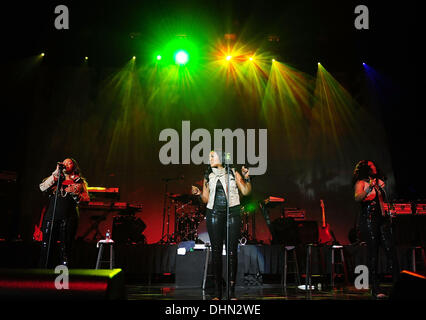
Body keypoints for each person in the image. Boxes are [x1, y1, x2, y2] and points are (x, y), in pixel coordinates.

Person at [192, 151, 252, 300]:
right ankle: (217, 292)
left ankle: (231, 292)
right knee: (216, 251)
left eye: (212, 156)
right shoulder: (208, 175)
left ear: (221, 157)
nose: (209, 158)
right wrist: (198, 193)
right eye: (209, 156)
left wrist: (246, 178)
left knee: (232, 252)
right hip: (214, 213)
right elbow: (205, 199)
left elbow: (246, 191)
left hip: (233, 212)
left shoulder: (232, 172)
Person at [353, 160, 399, 299]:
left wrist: (389, 212)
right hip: (369, 220)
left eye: (374, 165)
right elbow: (357, 198)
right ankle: (375, 288)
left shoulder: (378, 182)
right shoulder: (361, 183)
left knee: (391, 251)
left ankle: (398, 286)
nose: (374, 167)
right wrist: (368, 189)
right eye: (371, 165)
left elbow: (381, 201)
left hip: (382, 220)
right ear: (366, 169)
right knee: (373, 254)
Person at [38, 158, 90, 268]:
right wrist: (56, 173)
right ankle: (44, 274)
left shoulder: (79, 182)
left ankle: (63, 277)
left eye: (69, 163)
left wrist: (76, 194)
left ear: (74, 167)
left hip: (69, 218)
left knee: (65, 248)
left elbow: (86, 200)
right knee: (46, 248)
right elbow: (42, 188)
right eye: (64, 162)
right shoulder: (55, 179)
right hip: (51, 217)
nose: (65, 164)